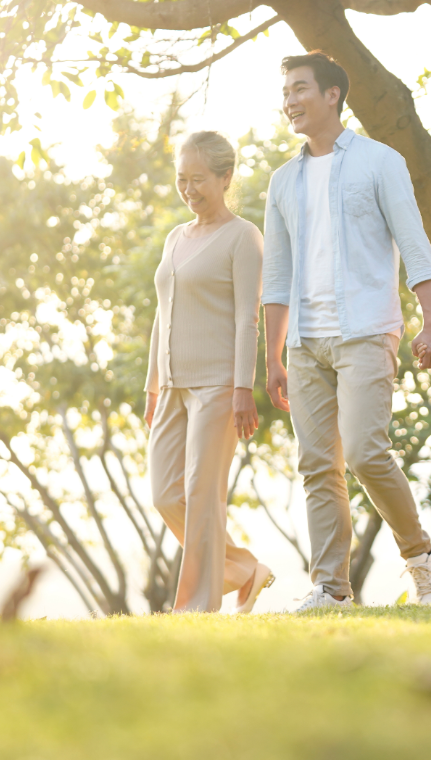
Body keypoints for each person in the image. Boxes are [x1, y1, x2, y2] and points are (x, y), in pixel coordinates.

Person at [262, 51, 431, 611]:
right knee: (318, 465)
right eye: (286, 91)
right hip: (304, 343)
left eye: (300, 88)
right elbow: (276, 273)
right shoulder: (282, 181)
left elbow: (414, 242)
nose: (290, 101)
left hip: (366, 329)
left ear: (332, 96)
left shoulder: (379, 161)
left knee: (367, 452)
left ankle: (420, 556)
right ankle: (333, 588)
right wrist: (272, 356)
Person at [145, 131, 274, 613]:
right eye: (182, 179)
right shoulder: (175, 237)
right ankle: (243, 569)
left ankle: (196, 607)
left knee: (202, 494)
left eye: (199, 179)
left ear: (225, 177)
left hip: (219, 385)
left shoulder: (243, 237)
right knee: (164, 493)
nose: (189, 189)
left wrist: (245, 387)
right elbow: (163, 313)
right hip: (172, 385)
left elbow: (248, 317)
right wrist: (152, 385)